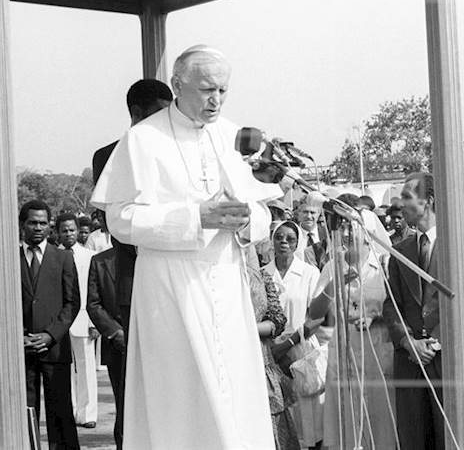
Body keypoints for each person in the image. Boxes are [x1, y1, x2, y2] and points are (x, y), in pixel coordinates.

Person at [91, 45, 283, 449]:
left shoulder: (232, 136)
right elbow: (120, 219)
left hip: (228, 283)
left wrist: (248, 219)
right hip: (170, 287)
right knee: (179, 399)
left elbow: (264, 212)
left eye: (224, 91)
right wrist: (196, 217)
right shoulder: (142, 139)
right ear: (178, 85)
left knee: (236, 394)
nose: (217, 101)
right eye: (207, 90)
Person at [91, 78, 172, 339]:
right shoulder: (108, 156)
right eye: (159, 114)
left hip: (177, 278)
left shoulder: (178, 154)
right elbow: (114, 221)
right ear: (137, 113)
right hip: (133, 279)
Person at [313, 210, 397, 450]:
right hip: (344, 349)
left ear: (367, 232)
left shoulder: (383, 264)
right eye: (344, 228)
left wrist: (375, 316)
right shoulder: (333, 265)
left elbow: (395, 308)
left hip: (377, 349)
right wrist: (334, 283)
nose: (348, 233)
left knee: (381, 418)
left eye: (353, 228)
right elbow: (315, 313)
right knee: (347, 418)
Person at [382, 172, 448, 450]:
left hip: (444, 360)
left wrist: (433, 342)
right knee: (412, 437)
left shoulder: (455, 246)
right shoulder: (399, 251)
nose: (401, 203)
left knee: (448, 435)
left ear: (428, 201)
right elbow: (391, 304)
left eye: (407, 197)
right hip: (409, 361)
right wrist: (408, 342)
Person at [20, 200, 80, 450]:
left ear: (49, 226)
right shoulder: (8, 257)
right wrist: (19, 336)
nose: (38, 228)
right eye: (32, 222)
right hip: (21, 351)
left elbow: (72, 303)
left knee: (60, 415)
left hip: (54, 350)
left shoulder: (63, 258)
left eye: (43, 223)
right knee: (25, 413)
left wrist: (49, 335)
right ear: (22, 225)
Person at [262, 221, 325, 450]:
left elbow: (317, 316)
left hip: (302, 349)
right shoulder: (262, 274)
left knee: (309, 419)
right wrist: (276, 347)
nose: (283, 242)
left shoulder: (309, 273)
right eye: (279, 237)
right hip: (271, 353)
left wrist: (290, 342)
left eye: (289, 238)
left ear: (297, 242)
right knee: (282, 417)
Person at [246, 246, 296, 450]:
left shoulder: (262, 275)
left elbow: (277, 318)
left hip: (261, 357)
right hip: (228, 359)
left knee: (273, 423)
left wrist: (247, 328)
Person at [56, 213, 98, 429]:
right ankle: (70, 412)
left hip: (84, 317)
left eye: (72, 230)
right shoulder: (53, 256)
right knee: (64, 369)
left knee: (86, 367)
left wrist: (94, 322)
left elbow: (93, 291)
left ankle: (88, 413)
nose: (69, 234)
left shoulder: (90, 256)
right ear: (58, 233)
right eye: (64, 230)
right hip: (60, 321)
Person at [85, 247, 125, 448]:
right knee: (123, 402)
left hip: (150, 341)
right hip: (118, 346)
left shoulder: (149, 254)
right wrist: (115, 332)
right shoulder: (100, 261)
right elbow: (93, 303)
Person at [297, 199, 329, 270]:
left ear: (318, 215)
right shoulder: (293, 234)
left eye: (312, 212)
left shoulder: (326, 234)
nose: (309, 216)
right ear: (298, 214)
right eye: (305, 212)